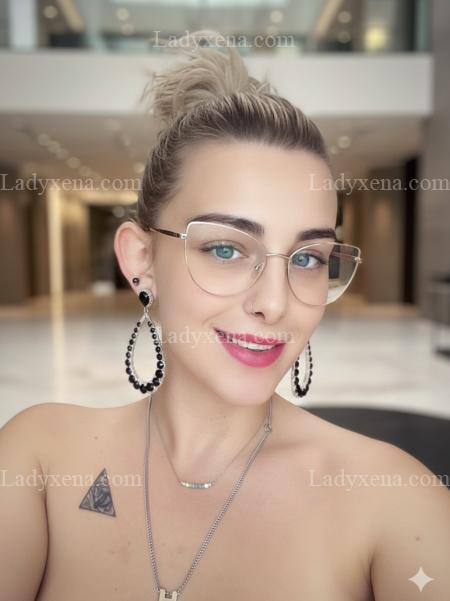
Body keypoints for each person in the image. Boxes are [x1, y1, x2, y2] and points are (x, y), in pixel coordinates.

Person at [1, 30, 449, 601]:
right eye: (226, 249)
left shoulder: (395, 501)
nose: (275, 302)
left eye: (307, 258)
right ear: (141, 260)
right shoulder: (40, 462)